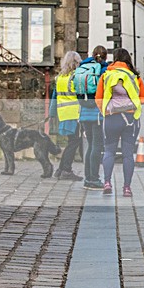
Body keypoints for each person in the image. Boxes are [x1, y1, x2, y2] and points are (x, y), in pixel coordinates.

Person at [95, 48, 144, 197]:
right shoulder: (134, 77)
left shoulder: (106, 76)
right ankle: (126, 188)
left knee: (109, 151)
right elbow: (143, 98)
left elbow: (98, 98)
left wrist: (105, 111)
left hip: (112, 117)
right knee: (127, 154)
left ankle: (107, 182)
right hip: (130, 119)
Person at [75, 46, 109, 190]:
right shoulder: (103, 70)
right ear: (105, 57)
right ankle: (94, 178)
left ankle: (87, 178)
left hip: (84, 112)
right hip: (97, 113)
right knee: (97, 146)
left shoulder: (82, 67)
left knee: (90, 145)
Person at [49, 51, 83, 181]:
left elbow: (55, 97)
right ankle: (66, 170)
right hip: (74, 113)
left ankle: (60, 169)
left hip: (63, 113)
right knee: (74, 142)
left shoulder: (60, 77)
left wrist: (52, 114)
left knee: (71, 141)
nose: (80, 64)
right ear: (75, 63)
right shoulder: (75, 77)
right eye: (78, 62)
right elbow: (80, 95)